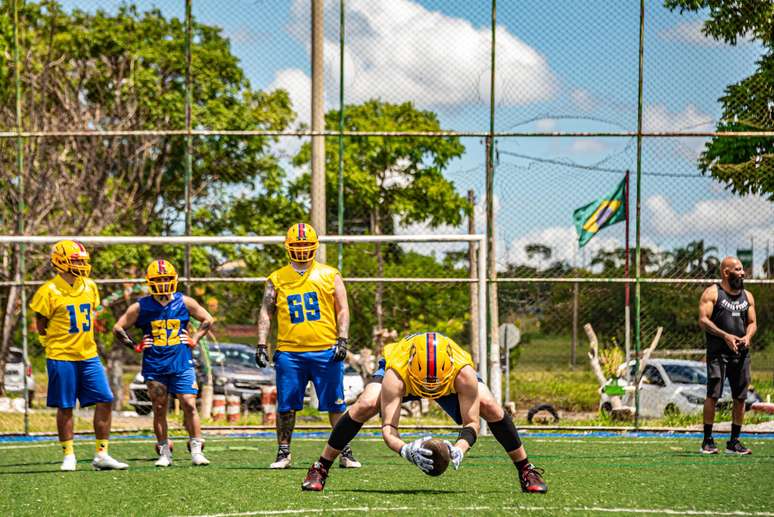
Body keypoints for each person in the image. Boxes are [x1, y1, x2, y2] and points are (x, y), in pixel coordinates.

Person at [302, 332, 547, 493]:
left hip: (448, 381)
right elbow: (389, 429)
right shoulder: (396, 372)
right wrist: (404, 449)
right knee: (365, 403)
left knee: (492, 407)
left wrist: (459, 448)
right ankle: (320, 467)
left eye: (435, 387)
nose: (429, 392)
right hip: (407, 378)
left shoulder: (463, 372)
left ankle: (527, 469)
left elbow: (472, 423)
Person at [255, 223, 359, 469]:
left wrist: (342, 339)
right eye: (297, 245)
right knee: (287, 406)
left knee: (336, 405)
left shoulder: (330, 274)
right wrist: (261, 344)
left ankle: (345, 451)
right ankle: (283, 453)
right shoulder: (276, 278)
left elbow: (342, 309)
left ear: (315, 247)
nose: (301, 250)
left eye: (306, 245)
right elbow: (266, 311)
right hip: (290, 352)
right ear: (288, 247)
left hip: (325, 350)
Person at [29, 240, 128, 472]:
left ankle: (102, 453)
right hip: (61, 354)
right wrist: (53, 343)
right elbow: (41, 324)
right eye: (76, 261)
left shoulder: (90, 286)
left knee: (105, 398)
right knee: (65, 406)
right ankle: (69, 455)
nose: (81, 264)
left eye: (82, 260)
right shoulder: (48, 290)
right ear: (61, 262)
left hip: (88, 354)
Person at [113, 259, 214, 466]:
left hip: (181, 363)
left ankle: (196, 448)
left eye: (167, 278)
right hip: (155, 365)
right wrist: (135, 345)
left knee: (188, 404)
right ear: (150, 282)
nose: (163, 283)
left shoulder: (184, 302)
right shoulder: (141, 306)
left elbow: (208, 319)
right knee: (159, 407)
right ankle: (164, 451)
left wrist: (194, 339)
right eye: (159, 279)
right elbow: (118, 328)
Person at [698, 256, 757, 455]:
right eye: (738, 269)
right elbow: (703, 320)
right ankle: (707, 440)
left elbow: (752, 322)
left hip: (741, 354)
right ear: (726, 272)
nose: (742, 273)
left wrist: (748, 336)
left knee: (740, 397)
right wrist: (725, 336)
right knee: (713, 395)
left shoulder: (747, 296)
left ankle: (734, 441)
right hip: (718, 354)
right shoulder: (713, 293)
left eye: (742, 270)